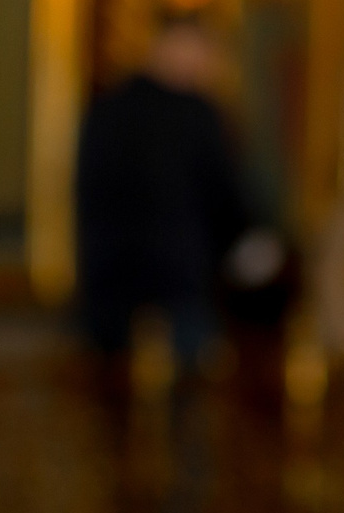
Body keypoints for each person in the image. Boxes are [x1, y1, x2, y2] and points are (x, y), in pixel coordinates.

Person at [73, 18, 281, 372]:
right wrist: (251, 237)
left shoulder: (106, 108)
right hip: (179, 272)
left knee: (113, 376)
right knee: (188, 371)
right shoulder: (196, 114)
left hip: (112, 271)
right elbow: (223, 192)